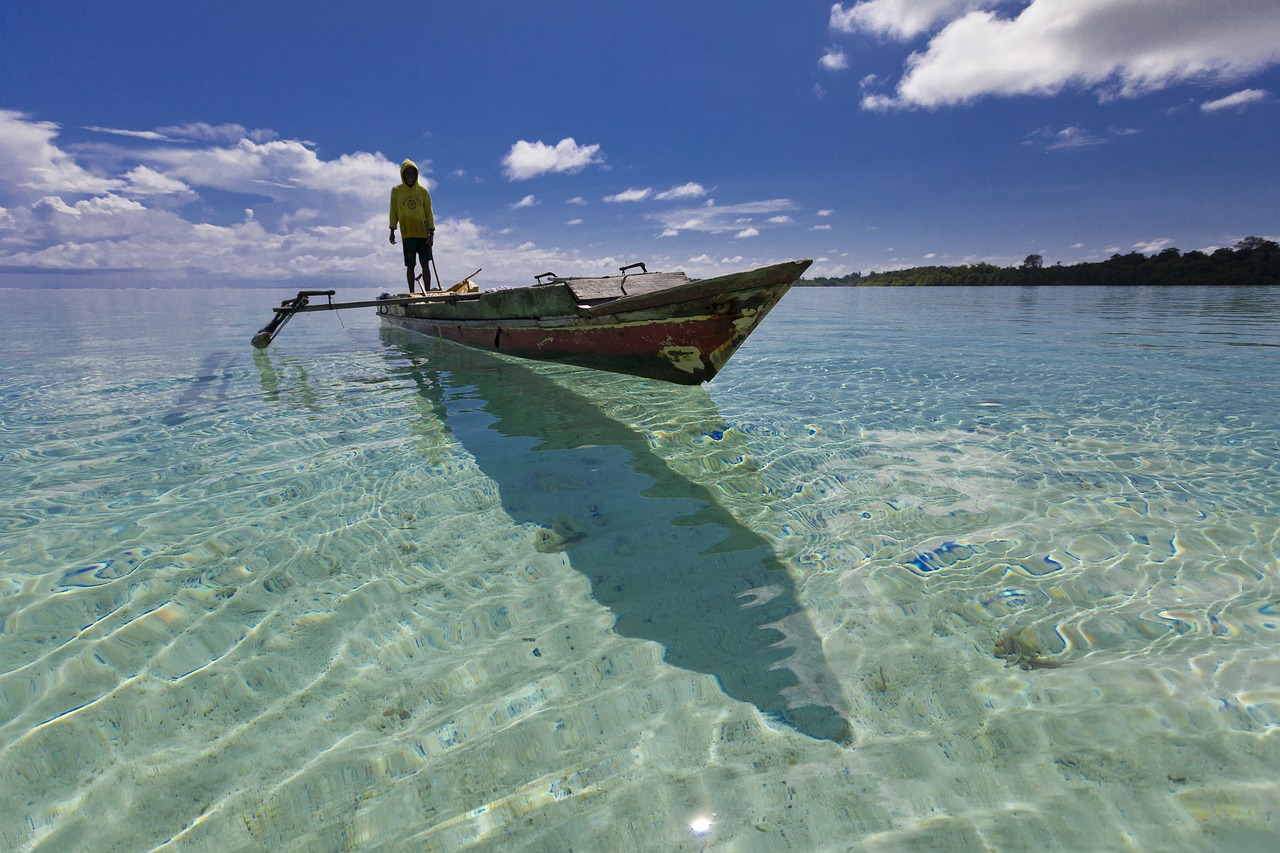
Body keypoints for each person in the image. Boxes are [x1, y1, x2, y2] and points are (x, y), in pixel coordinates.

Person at [389, 159, 435, 293]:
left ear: (416, 175)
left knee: (425, 264)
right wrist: (392, 229)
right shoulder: (396, 191)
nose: (410, 176)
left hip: (423, 234)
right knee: (410, 265)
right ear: (402, 175)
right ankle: (412, 292)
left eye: (412, 174)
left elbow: (429, 213)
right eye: (407, 173)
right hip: (408, 234)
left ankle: (428, 293)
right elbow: (394, 211)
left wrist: (431, 234)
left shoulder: (423, 192)